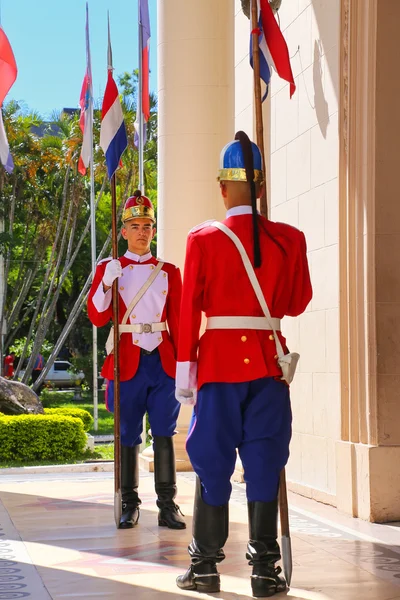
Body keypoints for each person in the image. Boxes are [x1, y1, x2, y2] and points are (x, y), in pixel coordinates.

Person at [175, 132, 312, 597]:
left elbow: (188, 308)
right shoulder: (290, 239)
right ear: (260, 186)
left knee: (211, 458)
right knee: (265, 458)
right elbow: (297, 302)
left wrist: (183, 369)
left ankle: (206, 567)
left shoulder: (203, 239)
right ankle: (265, 571)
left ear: (222, 188)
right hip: (270, 369)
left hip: (218, 366)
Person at [87, 190, 185, 531]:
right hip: (127, 360)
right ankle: (129, 503)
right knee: (127, 433)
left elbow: (181, 323)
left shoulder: (168, 271)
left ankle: (168, 505)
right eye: (135, 225)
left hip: (162, 360)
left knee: (164, 433)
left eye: (147, 225)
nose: (142, 231)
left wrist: (186, 367)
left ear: (153, 231)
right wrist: (107, 283)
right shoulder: (109, 268)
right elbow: (98, 318)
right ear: (123, 231)